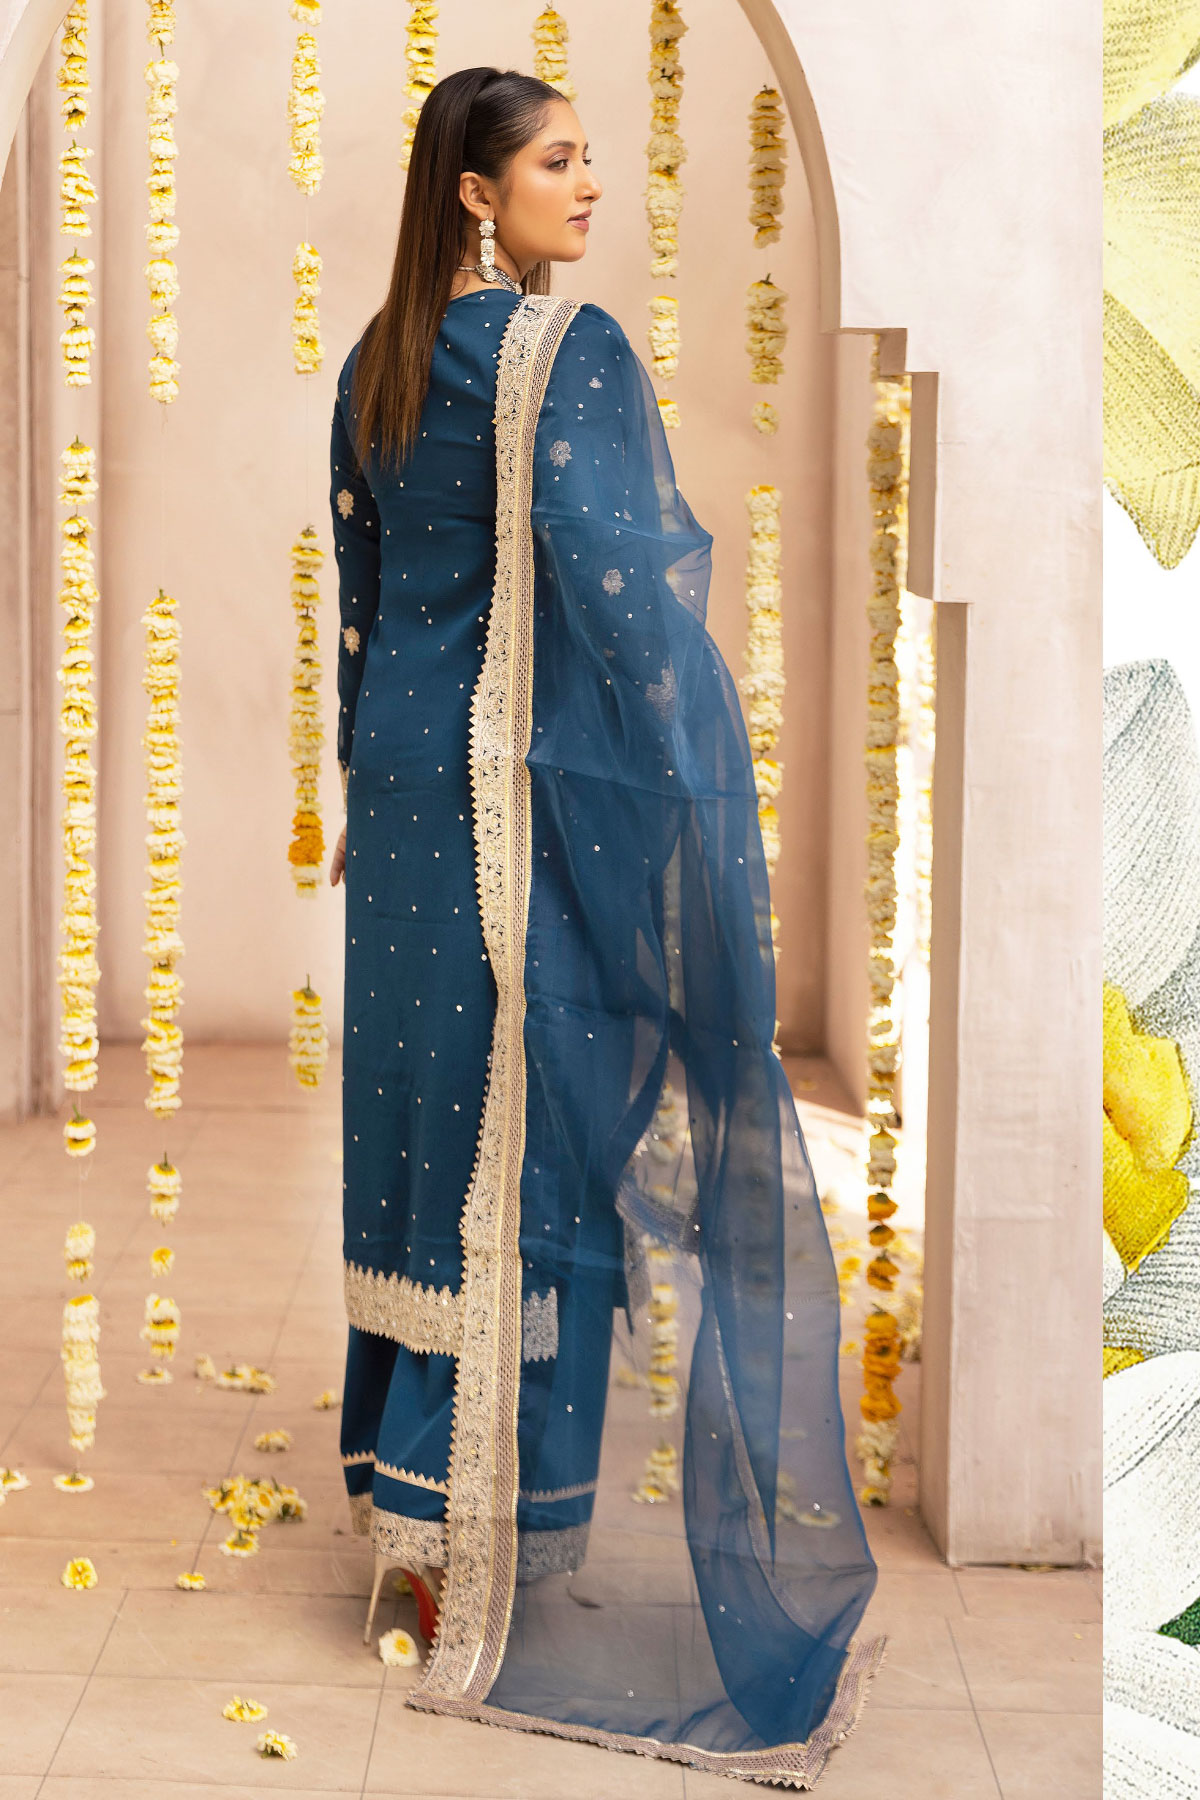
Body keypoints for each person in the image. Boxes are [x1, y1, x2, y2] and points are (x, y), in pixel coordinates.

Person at [327, 63, 884, 1789]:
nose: (591, 188)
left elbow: (363, 607)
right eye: (561, 162)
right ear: (476, 190)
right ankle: (490, 1525)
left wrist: (367, 785)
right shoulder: (561, 353)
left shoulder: (375, 360)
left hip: (404, 800)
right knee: (537, 1131)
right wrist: (689, 779)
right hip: (517, 805)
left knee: (430, 1132)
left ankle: (412, 1528)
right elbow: (626, 596)